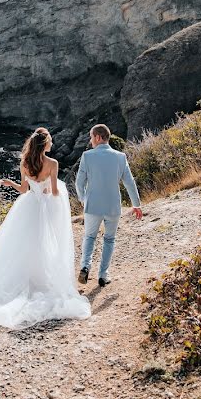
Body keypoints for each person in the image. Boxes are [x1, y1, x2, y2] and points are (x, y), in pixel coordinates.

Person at [0, 127, 91, 329]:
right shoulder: (53, 163)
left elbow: (23, 190)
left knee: (22, 244)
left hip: (28, 207)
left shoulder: (25, 163)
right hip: (45, 208)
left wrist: (9, 182)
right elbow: (54, 192)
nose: (52, 144)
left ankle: (23, 280)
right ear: (44, 144)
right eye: (51, 141)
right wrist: (57, 189)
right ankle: (42, 280)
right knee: (46, 244)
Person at [75, 123, 142, 287]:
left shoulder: (87, 156)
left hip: (92, 205)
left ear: (98, 137)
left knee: (89, 237)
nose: (91, 141)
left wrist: (84, 199)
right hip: (113, 206)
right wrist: (136, 204)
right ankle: (103, 275)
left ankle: (85, 266)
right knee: (109, 239)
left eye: (91, 137)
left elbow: (79, 183)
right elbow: (130, 183)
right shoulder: (120, 157)